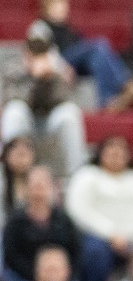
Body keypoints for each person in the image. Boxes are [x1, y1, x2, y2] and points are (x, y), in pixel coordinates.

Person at [33, 0, 133, 111]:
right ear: (47, 7)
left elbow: (80, 45)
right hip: (63, 61)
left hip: (76, 60)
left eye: (64, 5)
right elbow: (43, 54)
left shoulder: (68, 27)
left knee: (98, 58)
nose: (64, 9)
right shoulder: (40, 27)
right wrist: (61, 68)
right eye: (59, 5)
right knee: (99, 45)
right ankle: (125, 82)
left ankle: (108, 101)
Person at [67, 134, 133, 272]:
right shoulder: (87, 176)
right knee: (95, 252)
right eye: (111, 149)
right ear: (100, 152)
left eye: (121, 150)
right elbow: (78, 211)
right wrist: (110, 233)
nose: (116, 153)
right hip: (101, 237)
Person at [1, 23, 87, 175]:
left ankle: (76, 176)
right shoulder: (13, 72)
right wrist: (34, 78)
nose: (36, 55)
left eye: (41, 52)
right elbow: (13, 100)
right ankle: (10, 175)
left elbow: (63, 100)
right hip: (26, 121)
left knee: (70, 113)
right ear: (25, 52)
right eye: (33, 51)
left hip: (49, 122)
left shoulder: (57, 73)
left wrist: (48, 79)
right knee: (14, 111)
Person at [3, 165, 98, 281]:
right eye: (35, 186)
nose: (38, 191)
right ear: (26, 188)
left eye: (43, 185)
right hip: (26, 279)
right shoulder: (15, 221)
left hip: (63, 278)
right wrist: (39, 276)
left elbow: (76, 251)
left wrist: (62, 276)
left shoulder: (64, 219)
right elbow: (11, 256)